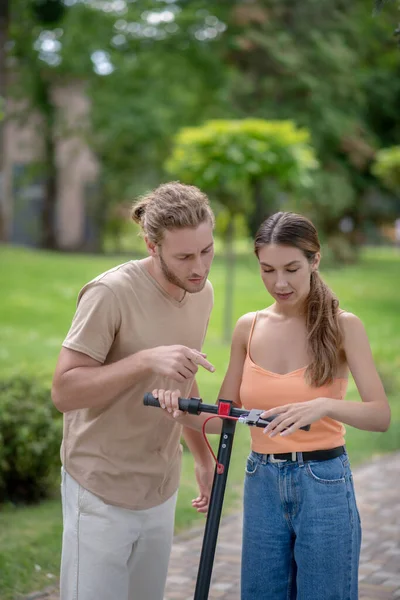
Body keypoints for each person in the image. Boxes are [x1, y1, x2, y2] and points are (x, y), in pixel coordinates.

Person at [153, 211, 391, 600]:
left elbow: (381, 415)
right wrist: (184, 414)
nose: (279, 282)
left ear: (315, 260)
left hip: (324, 482)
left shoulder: (343, 325)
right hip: (261, 481)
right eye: (267, 270)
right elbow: (225, 419)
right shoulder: (249, 327)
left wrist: (323, 406)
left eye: (292, 268)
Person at [51, 181, 218, 600]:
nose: (199, 267)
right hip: (100, 486)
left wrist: (201, 458)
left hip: (159, 486)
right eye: (184, 256)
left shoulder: (202, 293)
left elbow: (183, 375)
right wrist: (144, 361)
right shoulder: (110, 293)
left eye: (207, 250)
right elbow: (64, 392)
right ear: (151, 245)